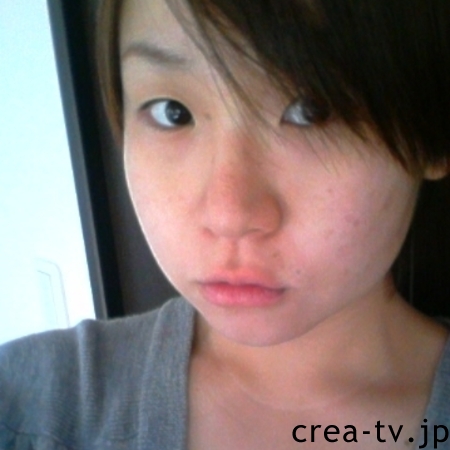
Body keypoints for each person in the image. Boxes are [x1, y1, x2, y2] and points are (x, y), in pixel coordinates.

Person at [1, 0, 450, 448]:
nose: (227, 216)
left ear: (432, 137)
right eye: (172, 111)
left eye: (313, 111)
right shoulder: (32, 413)